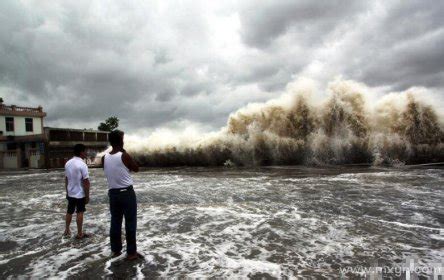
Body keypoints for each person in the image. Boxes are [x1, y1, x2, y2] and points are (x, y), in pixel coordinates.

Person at [102, 130, 140, 260]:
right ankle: (131, 253)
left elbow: (111, 170)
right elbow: (136, 168)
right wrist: (125, 153)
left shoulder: (104, 157)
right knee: (130, 222)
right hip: (126, 194)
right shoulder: (124, 155)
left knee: (115, 222)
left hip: (113, 194)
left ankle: (116, 250)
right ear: (120, 141)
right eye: (123, 138)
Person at [64, 144, 90, 239]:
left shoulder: (68, 163)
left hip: (70, 192)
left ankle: (67, 230)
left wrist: (67, 191)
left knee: (69, 211)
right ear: (81, 152)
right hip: (80, 194)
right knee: (80, 212)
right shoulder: (82, 164)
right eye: (85, 151)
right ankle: (79, 233)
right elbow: (86, 182)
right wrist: (87, 196)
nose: (86, 153)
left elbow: (66, 179)